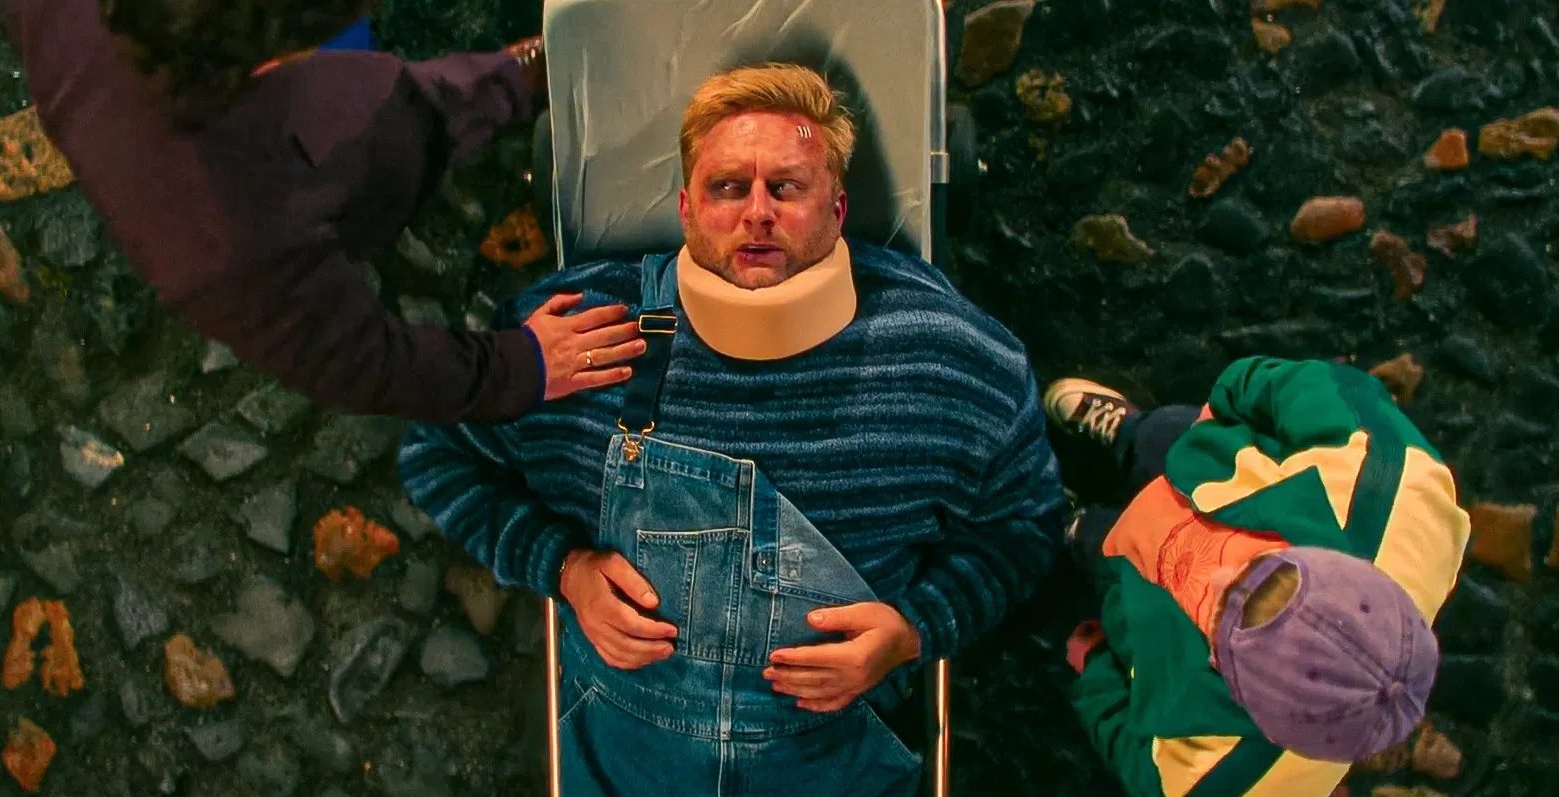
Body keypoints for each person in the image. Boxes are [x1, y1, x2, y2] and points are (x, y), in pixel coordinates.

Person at [398, 63, 1065, 795]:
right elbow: (436, 451)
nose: (757, 213)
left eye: (786, 187)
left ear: (838, 207)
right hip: (626, 761)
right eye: (727, 187)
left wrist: (913, 632)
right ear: (686, 208)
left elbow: (1024, 524)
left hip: (835, 762)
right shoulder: (581, 332)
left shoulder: (951, 360)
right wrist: (565, 568)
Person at [0, 0, 642, 423]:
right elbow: (370, 365)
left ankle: (506, 80)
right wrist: (521, 366)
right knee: (396, 132)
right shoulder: (230, 246)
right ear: (280, 58)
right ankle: (475, 98)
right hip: (331, 167)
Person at [1047, 357, 1472, 797]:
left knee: (1097, 546)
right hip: (1204, 460)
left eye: (1223, 632)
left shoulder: (1224, 784)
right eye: (1266, 567)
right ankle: (1131, 437)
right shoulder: (1396, 483)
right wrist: (1223, 407)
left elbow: (1142, 765)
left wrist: (1098, 672)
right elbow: (1316, 387)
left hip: (1134, 585)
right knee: (1162, 437)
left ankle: (1070, 523)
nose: (1215, 580)